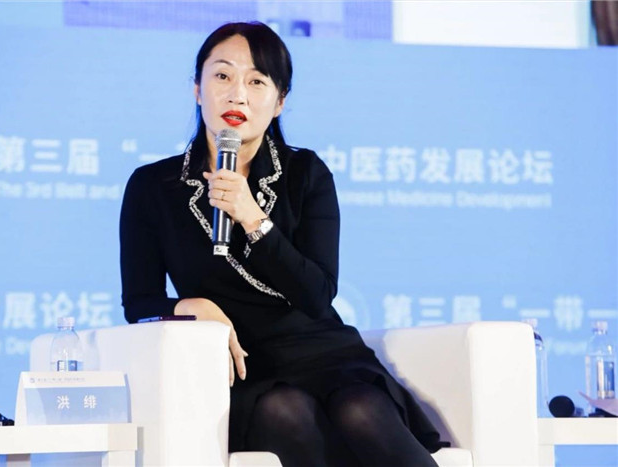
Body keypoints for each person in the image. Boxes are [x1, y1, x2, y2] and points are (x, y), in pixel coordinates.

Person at [120, 21, 446, 466]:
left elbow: (317, 294)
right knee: (284, 409)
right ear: (197, 89)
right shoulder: (153, 186)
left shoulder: (305, 174)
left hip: (324, 353)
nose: (237, 95)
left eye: (257, 81)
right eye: (222, 75)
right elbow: (138, 303)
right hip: (243, 367)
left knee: (360, 410)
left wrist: (253, 217)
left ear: (279, 102)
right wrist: (193, 307)